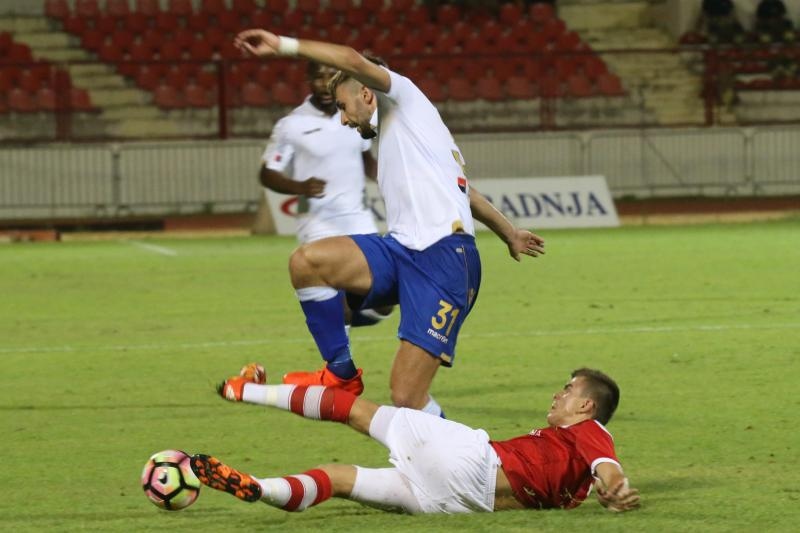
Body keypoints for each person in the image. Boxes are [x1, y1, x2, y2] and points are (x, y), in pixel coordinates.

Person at [233, 29, 546, 417]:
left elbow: (352, 60)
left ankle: (471, 461)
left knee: (406, 398)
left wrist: (283, 46)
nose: (344, 119)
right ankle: (340, 373)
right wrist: (510, 232)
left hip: (444, 263)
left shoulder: (405, 98)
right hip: (402, 251)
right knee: (308, 263)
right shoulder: (412, 137)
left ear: (366, 94)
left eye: (344, 107)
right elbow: (467, 191)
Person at [190, 367, 640, 514]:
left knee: (351, 408)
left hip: (473, 459)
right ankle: (259, 487)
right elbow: (600, 471)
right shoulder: (576, 486)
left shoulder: (590, 431)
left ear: (587, 407)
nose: (559, 394)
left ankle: (243, 388)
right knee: (339, 480)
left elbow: (607, 463)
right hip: (454, 503)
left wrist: (614, 480)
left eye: (569, 389)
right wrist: (610, 490)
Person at [259, 60, 393, 330]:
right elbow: (267, 172)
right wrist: (299, 187)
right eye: (317, 77)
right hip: (318, 221)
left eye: (330, 76)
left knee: (386, 295)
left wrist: (388, 176)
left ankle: (333, 322)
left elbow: (364, 155)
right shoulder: (292, 125)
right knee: (335, 293)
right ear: (308, 80)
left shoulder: (354, 112)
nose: (323, 83)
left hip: (358, 218)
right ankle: (339, 363)